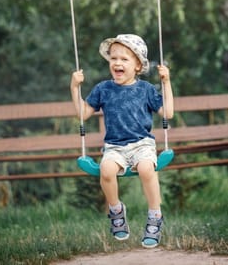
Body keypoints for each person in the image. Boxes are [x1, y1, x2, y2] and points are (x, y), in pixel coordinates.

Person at [71, 34, 174, 248]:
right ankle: (116, 211)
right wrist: (74, 87)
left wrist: (166, 83)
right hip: (115, 147)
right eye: (113, 58)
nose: (117, 62)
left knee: (147, 168)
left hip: (142, 144)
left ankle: (155, 215)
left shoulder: (145, 89)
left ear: (138, 65)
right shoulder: (103, 89)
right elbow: (83, 113)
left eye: (124, 59)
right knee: (106, 170)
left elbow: (168, 113)